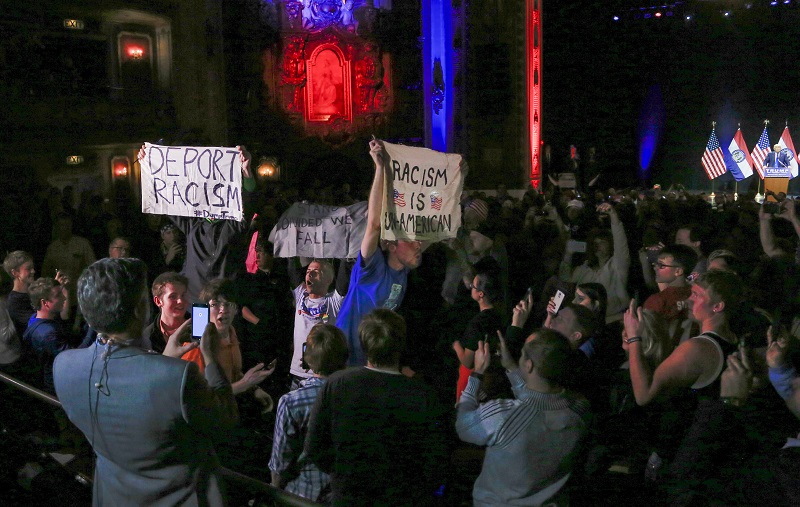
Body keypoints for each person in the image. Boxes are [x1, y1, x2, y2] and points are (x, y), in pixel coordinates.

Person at [53, 258, 239, 506]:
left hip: (113, 496)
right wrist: (210, 356)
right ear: (142, 310)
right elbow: (225, 421)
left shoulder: (63, 365)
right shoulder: (179, 375)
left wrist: (163, 360)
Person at [623, 269, 743, 505]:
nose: (688, 299)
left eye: (697, 295)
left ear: (718, 306)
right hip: (708, 455)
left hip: (686, 457)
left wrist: (635, 337)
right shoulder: (733, 339)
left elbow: (644, 395)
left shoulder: (699, 348)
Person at [306, 309, 447, 506]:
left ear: (363, 343)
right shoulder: (422, 395)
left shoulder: (338, 383)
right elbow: (435, 462)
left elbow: (314, 447)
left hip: (348, 497)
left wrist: (343, 474)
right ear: (400, 344)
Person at [456, 329, 591, 506]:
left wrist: (477, 374)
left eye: (522, 353)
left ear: (528, 365)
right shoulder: (581, 408)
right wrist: (511, 366)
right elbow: (537, 401)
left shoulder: (504, 415)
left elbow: (464, 425)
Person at [335, 139, 424, 366]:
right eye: (411, 241)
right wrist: (380, 167)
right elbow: (374, 224)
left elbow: (437, 233)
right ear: (391, 245)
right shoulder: (370, 267)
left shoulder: (404, 268)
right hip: (347, 357)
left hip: (373, 361)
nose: (419, 245)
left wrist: (456, 178)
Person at [137, 144, 255, 303]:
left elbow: (250, 198)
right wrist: (149, 165)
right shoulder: (192, 224)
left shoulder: (235, 223)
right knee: (200, 329)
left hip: (226, 301)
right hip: (198, 300)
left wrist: (246, 171)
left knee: (227, 328)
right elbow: (166, 197)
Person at [269, 324, 349, 503]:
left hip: (302, 497)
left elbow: (280, 465)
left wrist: (274, 495)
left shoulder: (291, 402)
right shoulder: (358, 398)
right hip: (344, 496)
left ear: (308, 357)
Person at [181, 278, 275, 396]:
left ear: (235, 309)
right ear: (206, 309)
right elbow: (199, 397)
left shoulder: (231, 333)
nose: (223, 310)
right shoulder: (196, 347)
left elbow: (235, 372)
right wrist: (245, 383)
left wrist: (255, 389)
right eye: (215, 304)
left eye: (228, 304)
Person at [287, 258, 348, 388]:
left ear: (328, 280)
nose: (310, 274)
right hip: (298, 376)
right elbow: (292, 263)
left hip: (322, 377)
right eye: (308, 271)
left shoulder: (333, 301)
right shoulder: (300, 296)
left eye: (316, 271)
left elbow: (345, 273)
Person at [22, 277, 71, 393]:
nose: (64, 298)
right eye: (58, 295)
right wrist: (92, 330)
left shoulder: (35, 318)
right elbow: (72, 357)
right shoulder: (47, 333)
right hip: (55, 385)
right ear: (44, 302)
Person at [142, 272, 190, 353]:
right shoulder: (147, 337)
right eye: (173, 296)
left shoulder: (198, 328)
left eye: (183, 295)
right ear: (158, 301)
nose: (180, 301)